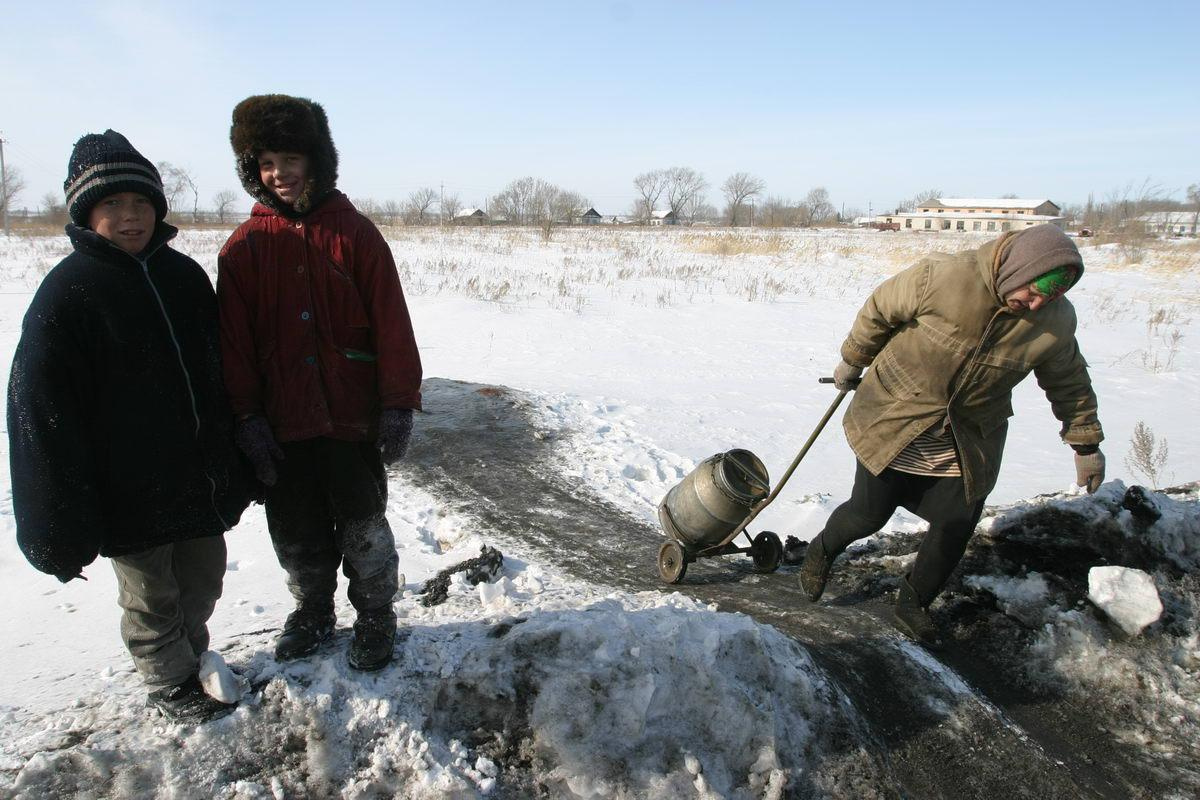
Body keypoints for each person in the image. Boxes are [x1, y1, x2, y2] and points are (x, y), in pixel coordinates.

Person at [8, 130, 253, 721]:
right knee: (151, 595)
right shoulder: (67, 295)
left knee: (202, 579)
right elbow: (37, 414)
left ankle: (192, 654)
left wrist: (241, 452)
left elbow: (224, 372)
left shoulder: (182, 278)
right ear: (87, 213)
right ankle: (169, 684)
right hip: (128, 490)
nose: (129, 217)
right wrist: (56, 519)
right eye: (112, 205)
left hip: (197, 479)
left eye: (140, 204)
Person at [800, 224, 1105, 646]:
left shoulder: (1053, 322)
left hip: (969, 434)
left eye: (1050, 297)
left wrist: (1085, 441)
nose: (1037, 304)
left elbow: (1069, 379)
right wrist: (853, 359)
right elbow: (878, 310)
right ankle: (821, 551)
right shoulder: (941, 277)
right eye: (1037, 290)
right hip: (895, 417)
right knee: (869, 513)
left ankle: (914, 601)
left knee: (956, 522)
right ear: (1018, 268)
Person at [217, 94, 422, 671]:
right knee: (296, 531)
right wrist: (247, 418)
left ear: (316, 161)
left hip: (350, 419)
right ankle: (312, 610)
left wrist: (399, 403)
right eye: (265, 163)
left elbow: (392, 323)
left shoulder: (354, 234)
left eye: (290, 158)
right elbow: (234, 346)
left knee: (363, 526)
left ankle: (377, 613)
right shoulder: (243, 250)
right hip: (283, 425)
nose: (278, 173)